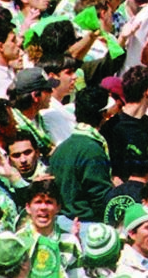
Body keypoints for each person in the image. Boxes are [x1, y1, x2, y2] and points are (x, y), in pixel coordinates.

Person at [48, 86, 113, 222]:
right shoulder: (92, 150)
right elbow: (100, 197)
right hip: (85, 224)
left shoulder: (62, 148)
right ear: (103, 114)